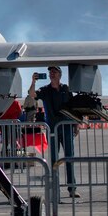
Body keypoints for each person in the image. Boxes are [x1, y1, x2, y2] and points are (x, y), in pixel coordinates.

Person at [30, 65, 80, 198]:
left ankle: (72, 188)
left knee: (69, 157)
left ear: (60, 74)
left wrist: (76, 124)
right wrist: (33, 82)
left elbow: (73, 107)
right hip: (52, 129)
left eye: (54, 71)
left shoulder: (66, 89)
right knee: (54, 159)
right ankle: (55, 187)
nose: (52, 73)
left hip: (67, 127)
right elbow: (32, 94)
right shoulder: (45, 90)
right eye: (50, 72)